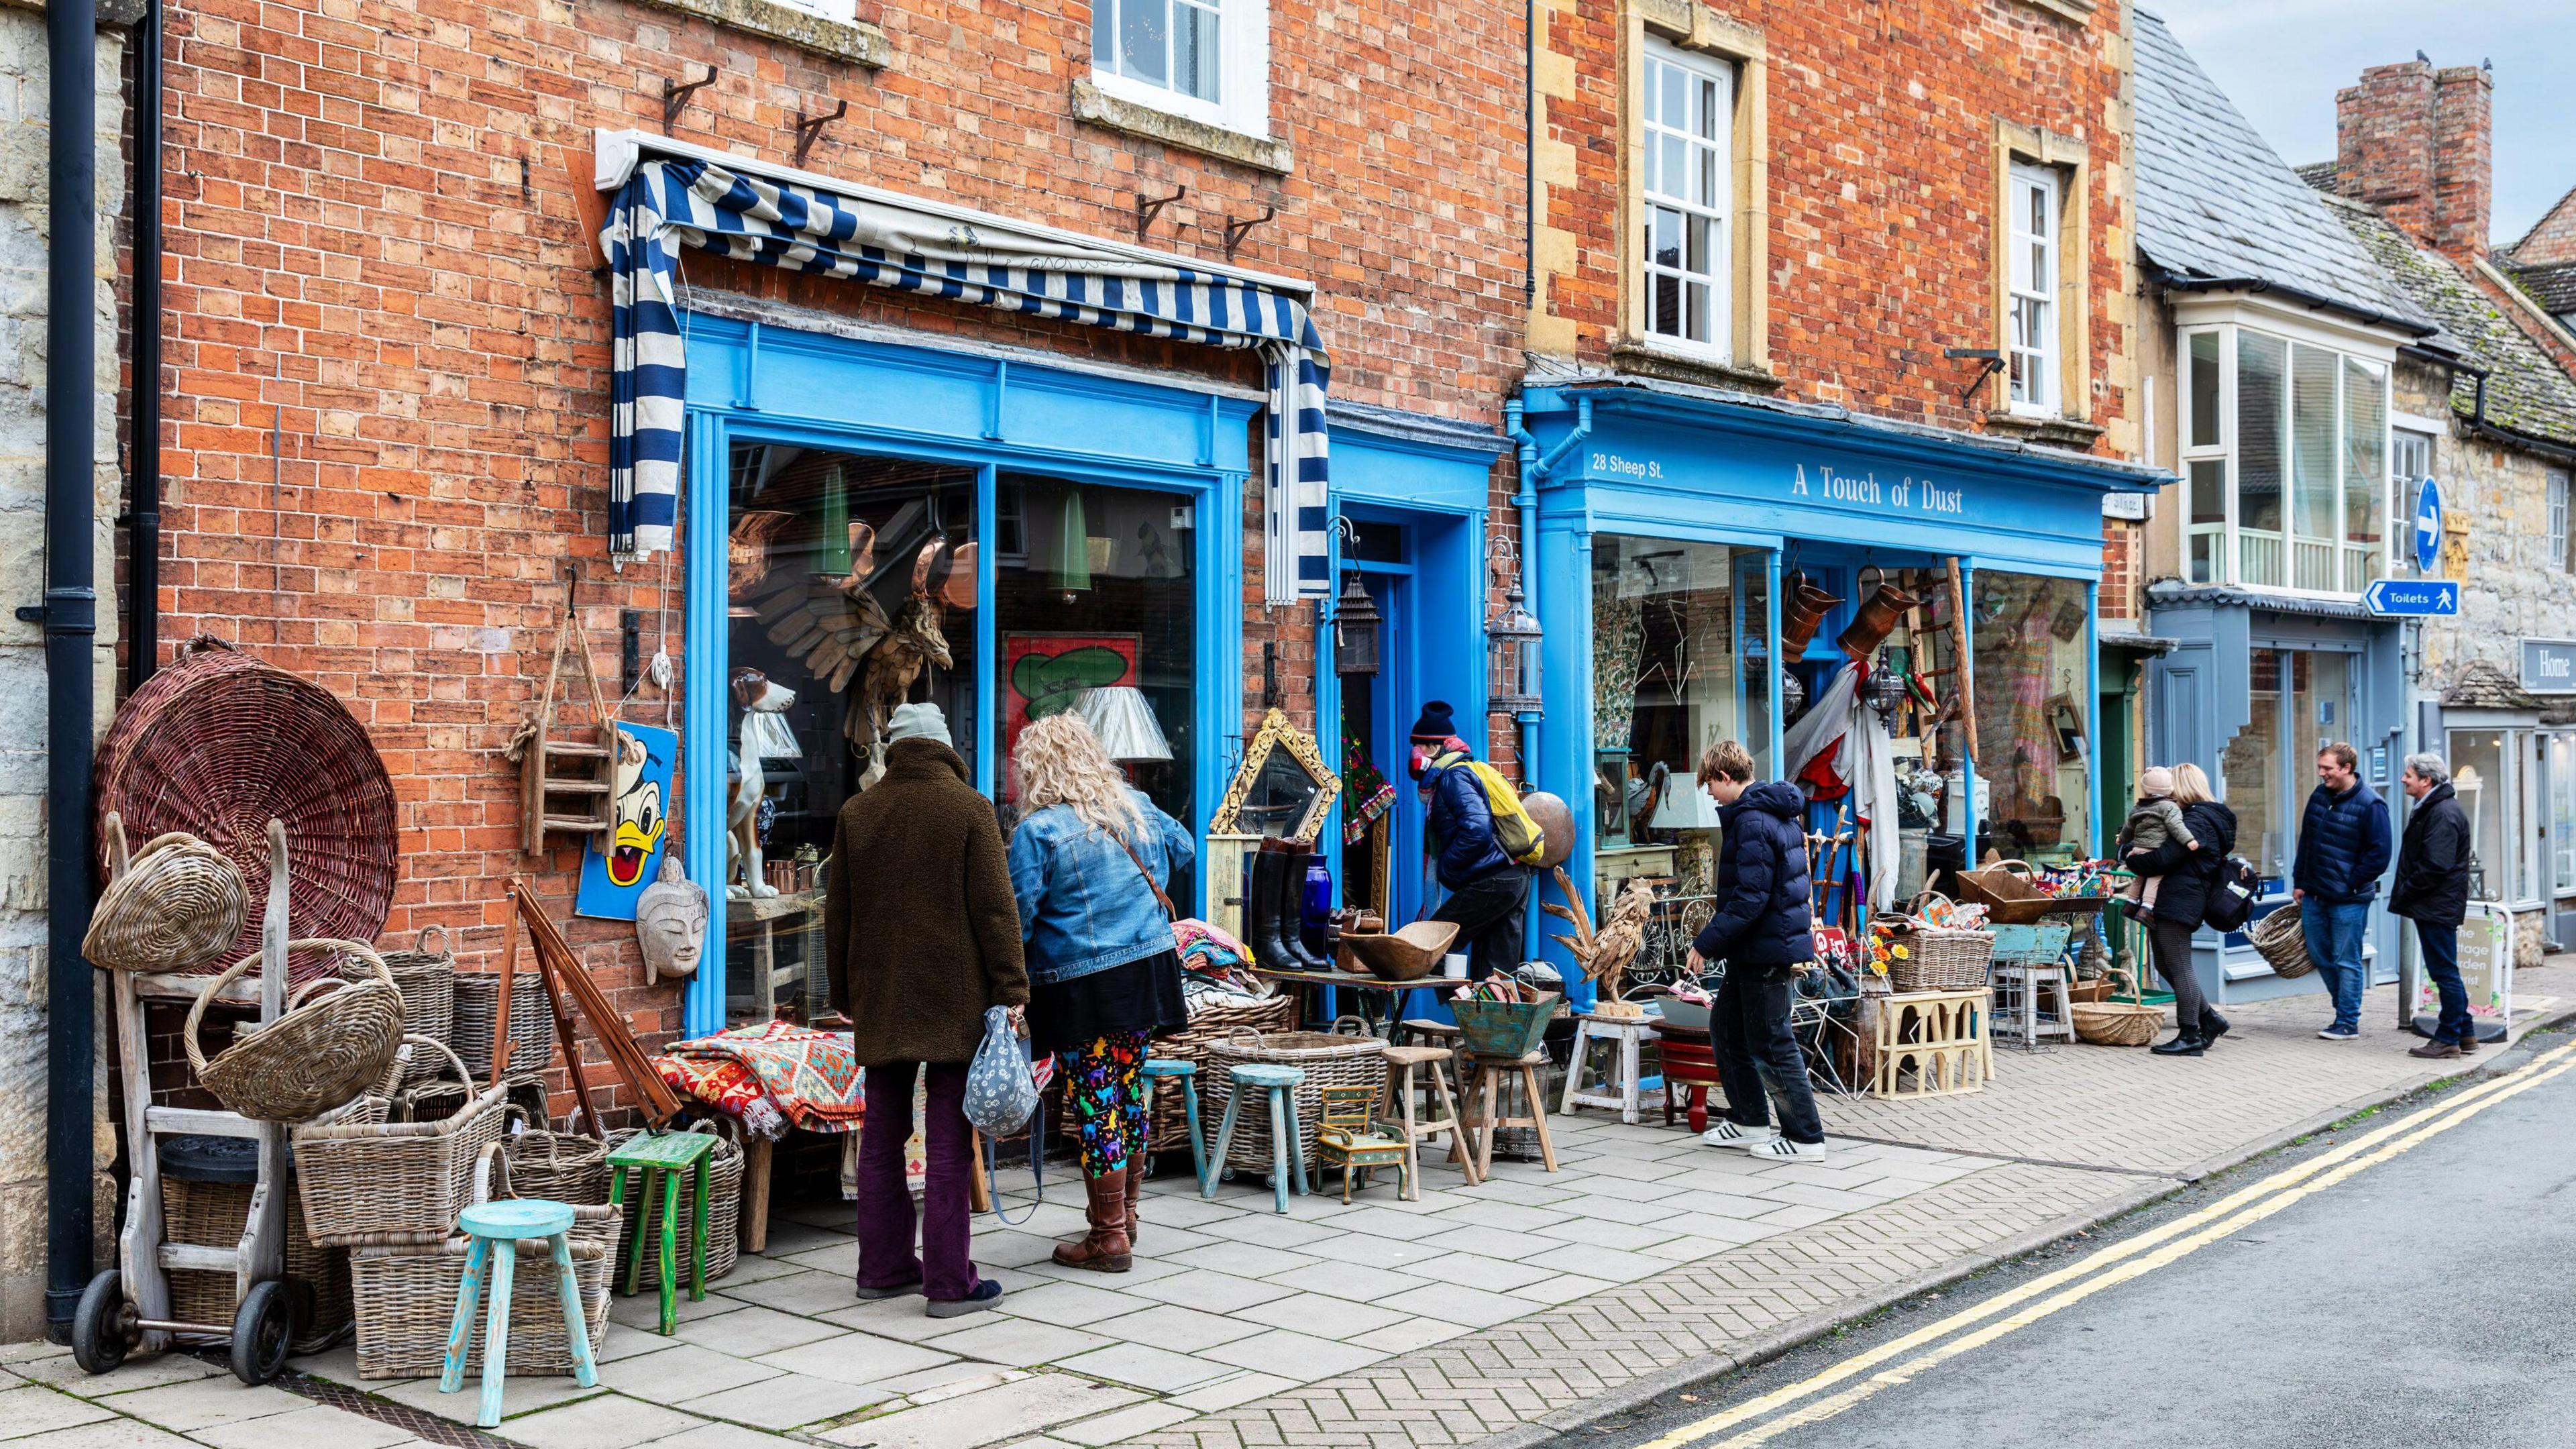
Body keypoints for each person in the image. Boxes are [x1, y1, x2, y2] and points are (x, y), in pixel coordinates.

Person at [826, 702, 1026, 1318]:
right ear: (944, 747)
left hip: (880, 994)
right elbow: (996, 911)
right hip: (955, 999)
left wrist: (844, 995)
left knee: (882, 1135)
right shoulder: (969, 808)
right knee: (947, 1140)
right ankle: (948, 1283)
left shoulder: (858, 814)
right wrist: (1012, 990)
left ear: (894, 749)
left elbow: (839, 918)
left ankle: (882, 1270)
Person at [1009, 712, 1195, 1273]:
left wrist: (1009, 980)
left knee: (1094, 1100)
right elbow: (1183, 848)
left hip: (1081, 985)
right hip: (1146, 970)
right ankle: (1126, 1216)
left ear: (1036, 769)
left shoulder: (1040, 830)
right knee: (1126, 1090)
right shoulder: (1133, 805)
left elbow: (1017, 914)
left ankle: (1108, 1235)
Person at [1684, 741, 1827, 1162]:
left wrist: (1706, 943)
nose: (1709, 793)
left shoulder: (1752, 820)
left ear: (1726, 777)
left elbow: (1749, 898)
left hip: (1766, 950)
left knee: (1771, 1042)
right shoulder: (1767, 814)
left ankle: (1805, 1138)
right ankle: (1749, 1121)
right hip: (1758, 948)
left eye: (1710, 783)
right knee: (1727, 1030)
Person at [1410, 702, 1532, 981]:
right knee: (1494, 976)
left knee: (1434, 940)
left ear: (1433, 748)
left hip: (1495, 880)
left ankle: (1457, 1008)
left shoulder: (1452, 776)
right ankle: (1485, 1021)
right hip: (1511, 878)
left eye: (1417, 746)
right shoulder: (1460, 772)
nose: (1414, 754)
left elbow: (1477, 827)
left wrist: (1448, 868)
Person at [2127, 762, 2236, 1056]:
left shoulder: (2197, 822)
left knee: (2179, 965)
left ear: (2182, 788)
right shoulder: (2202, 817)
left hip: (2181, 898)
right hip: (2177, 897)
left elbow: (2163, 858)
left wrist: (2131, 858)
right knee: (2164, 963)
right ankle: (2210, 1020)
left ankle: (2190, 1035)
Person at [2292, 741, 2392, 1041]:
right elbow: (2307, 841)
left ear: (2346, 768)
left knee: (2346, 959)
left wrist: (2350, 882)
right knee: (2321, 956)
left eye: (2328, 768)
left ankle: (2348, 1022)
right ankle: (2341, 1013)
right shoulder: (2320, 796)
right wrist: (2300, 880)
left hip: (2349, 899)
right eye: (2320, 768)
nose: (2322, 774)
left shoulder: (2371, 803)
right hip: (2314, 893)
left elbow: (2380, 855)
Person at [2388, 753, 2476, 1059]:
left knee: (2444, 973)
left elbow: (2435, 866)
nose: (2403, 779)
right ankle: (2465, 1032)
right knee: (2445, 969)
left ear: (2426, 780)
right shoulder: (2435, 808)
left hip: (2435, 904)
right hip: (2436, 903)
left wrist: (2408, 891)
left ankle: (2448, 1038)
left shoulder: (2442, 813)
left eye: (2408, 775)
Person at [2114, 766, 2198, 911]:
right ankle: (2147, 907)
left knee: (2139, 878)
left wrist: (2121, 839)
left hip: (2138, 848)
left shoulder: (2138, 807)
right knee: (2155, 878)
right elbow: (2176, 826)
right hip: (2154, 849)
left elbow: (2129, 828)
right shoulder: (2170, 807)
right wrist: (2189, 840)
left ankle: (2131, 902)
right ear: (2170, 788)